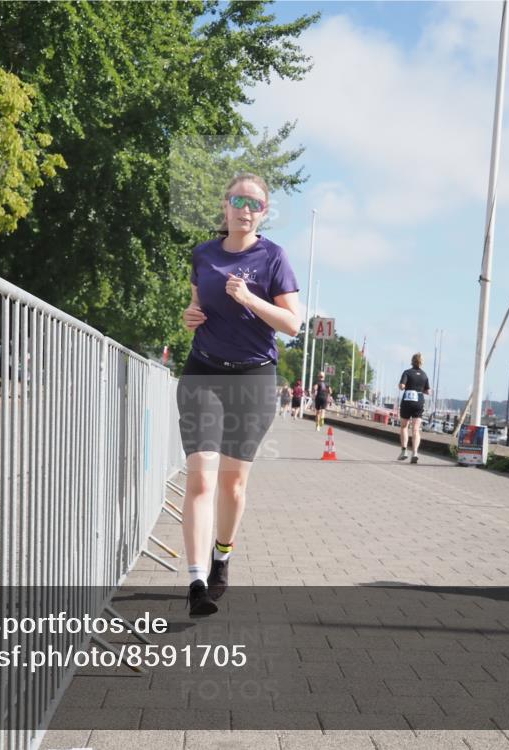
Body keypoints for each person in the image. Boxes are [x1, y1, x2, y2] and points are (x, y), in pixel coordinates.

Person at [178, 172, 301, 616]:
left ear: (263, 213)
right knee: (202, 477)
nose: (245, 210)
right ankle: (195, 582)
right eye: (237, 200)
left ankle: (221, 556)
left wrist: (251, 299)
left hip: (253, 380)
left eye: (254, 204)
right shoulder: (204, 255)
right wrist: (191, 316)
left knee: (232, 484)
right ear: (225, 206)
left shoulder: (274, 258)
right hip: (203, 374)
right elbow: (196, 307)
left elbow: (292, 324)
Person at [397, 353, 431, 464]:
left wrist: (403, 386)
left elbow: (402, 386)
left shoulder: (407, 372)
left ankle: (404, 451)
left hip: (407, 401)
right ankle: (415, 453)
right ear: (422, 362)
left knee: (404, 426)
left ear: (412, 361)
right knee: (416, 429)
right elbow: (428, 391)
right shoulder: (424, 375)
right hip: (419, 402)